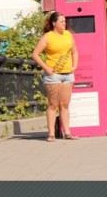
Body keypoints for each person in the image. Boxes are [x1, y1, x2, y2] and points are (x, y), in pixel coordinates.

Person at [31, 11, 79, 141]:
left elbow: (74, 52)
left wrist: (74, 66)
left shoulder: (68, 35)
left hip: (67, 75)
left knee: (65, 105)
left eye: (65, 21)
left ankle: (67, 133)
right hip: (53, 76)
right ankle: (51, 134)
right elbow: (35, 54)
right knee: (53, 104)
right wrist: (46, 68)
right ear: (54, 23)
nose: (64, 23)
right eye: (61, 21)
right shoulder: (48, 37)